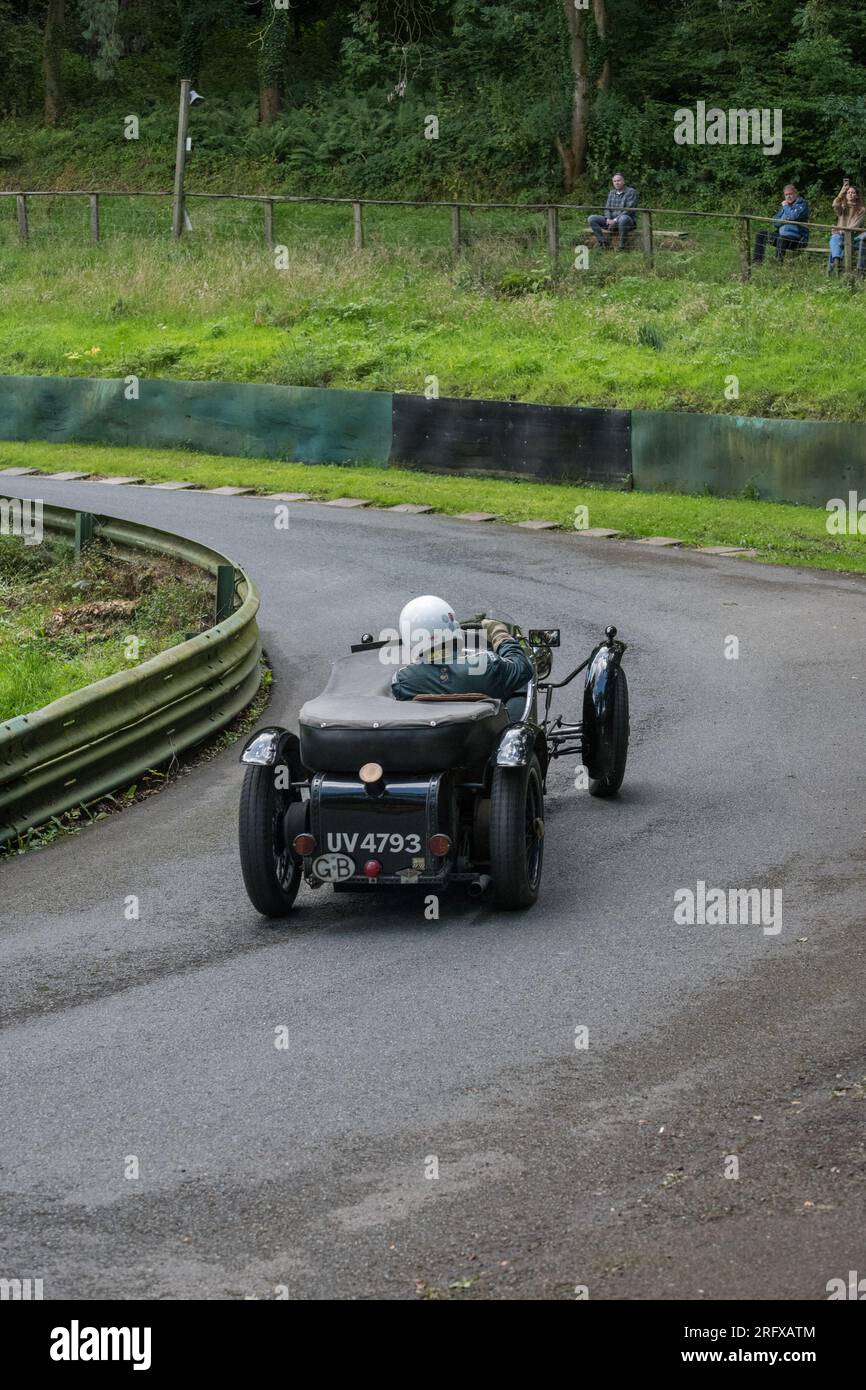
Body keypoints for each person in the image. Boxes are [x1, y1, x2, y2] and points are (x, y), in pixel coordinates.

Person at [391, 595, 533, 711]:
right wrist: (499, 634)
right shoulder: (488, 665)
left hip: (429, 743)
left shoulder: (403, 682)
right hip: (484, 740)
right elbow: (523, 667)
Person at [753, 184, 810, 263]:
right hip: (782, 236)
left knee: (782, 238)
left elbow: (793, 216)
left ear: (796, 194)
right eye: (786, 195)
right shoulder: (785, 207)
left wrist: (786, 208)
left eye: (790, 194)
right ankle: (757, 262)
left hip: (797, 239)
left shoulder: (801, 205)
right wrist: (785, 219)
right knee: (761, 234)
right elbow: (775, 222)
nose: (788, 197)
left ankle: (778, 264)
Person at [588, 172, 638, 250]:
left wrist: (615, 220)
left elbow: (629, 209)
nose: (616, 183)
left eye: (618, 180)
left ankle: (622, 247)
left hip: (626, 222)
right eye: (614, 181)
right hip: (611, 222)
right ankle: (603, 243)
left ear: (623, 182)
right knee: (592, 218)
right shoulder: (611, 193)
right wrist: (608, 219)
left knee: (623, 218)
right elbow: (607, 208)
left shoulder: (631, 192)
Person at [828, 180, 865, 273]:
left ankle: (834, 266)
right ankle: (837, 260)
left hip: (852, 237)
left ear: (856, 196)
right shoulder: (843, 206)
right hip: (839, 236)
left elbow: (855, 225)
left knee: (835, 239)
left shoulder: (861, 209)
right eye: (848, 192)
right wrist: (841, 192)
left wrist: (840, 230)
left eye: (853, 192)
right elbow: (835, 205)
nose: (850, 194)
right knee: (835, 238)